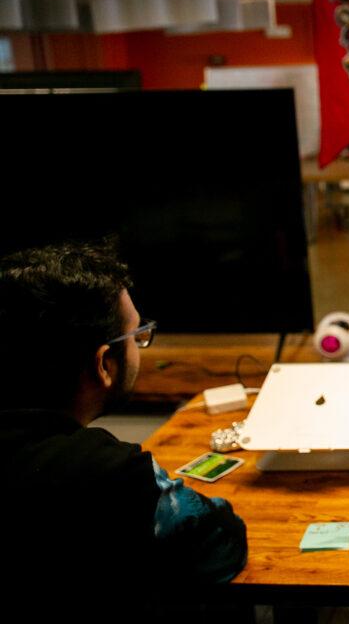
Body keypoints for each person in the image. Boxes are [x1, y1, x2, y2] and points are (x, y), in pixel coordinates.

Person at [0, 243, 247, 602]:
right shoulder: (107, 472)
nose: (140, 343)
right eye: (137, 335)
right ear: (104, 364)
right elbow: (221, 543)